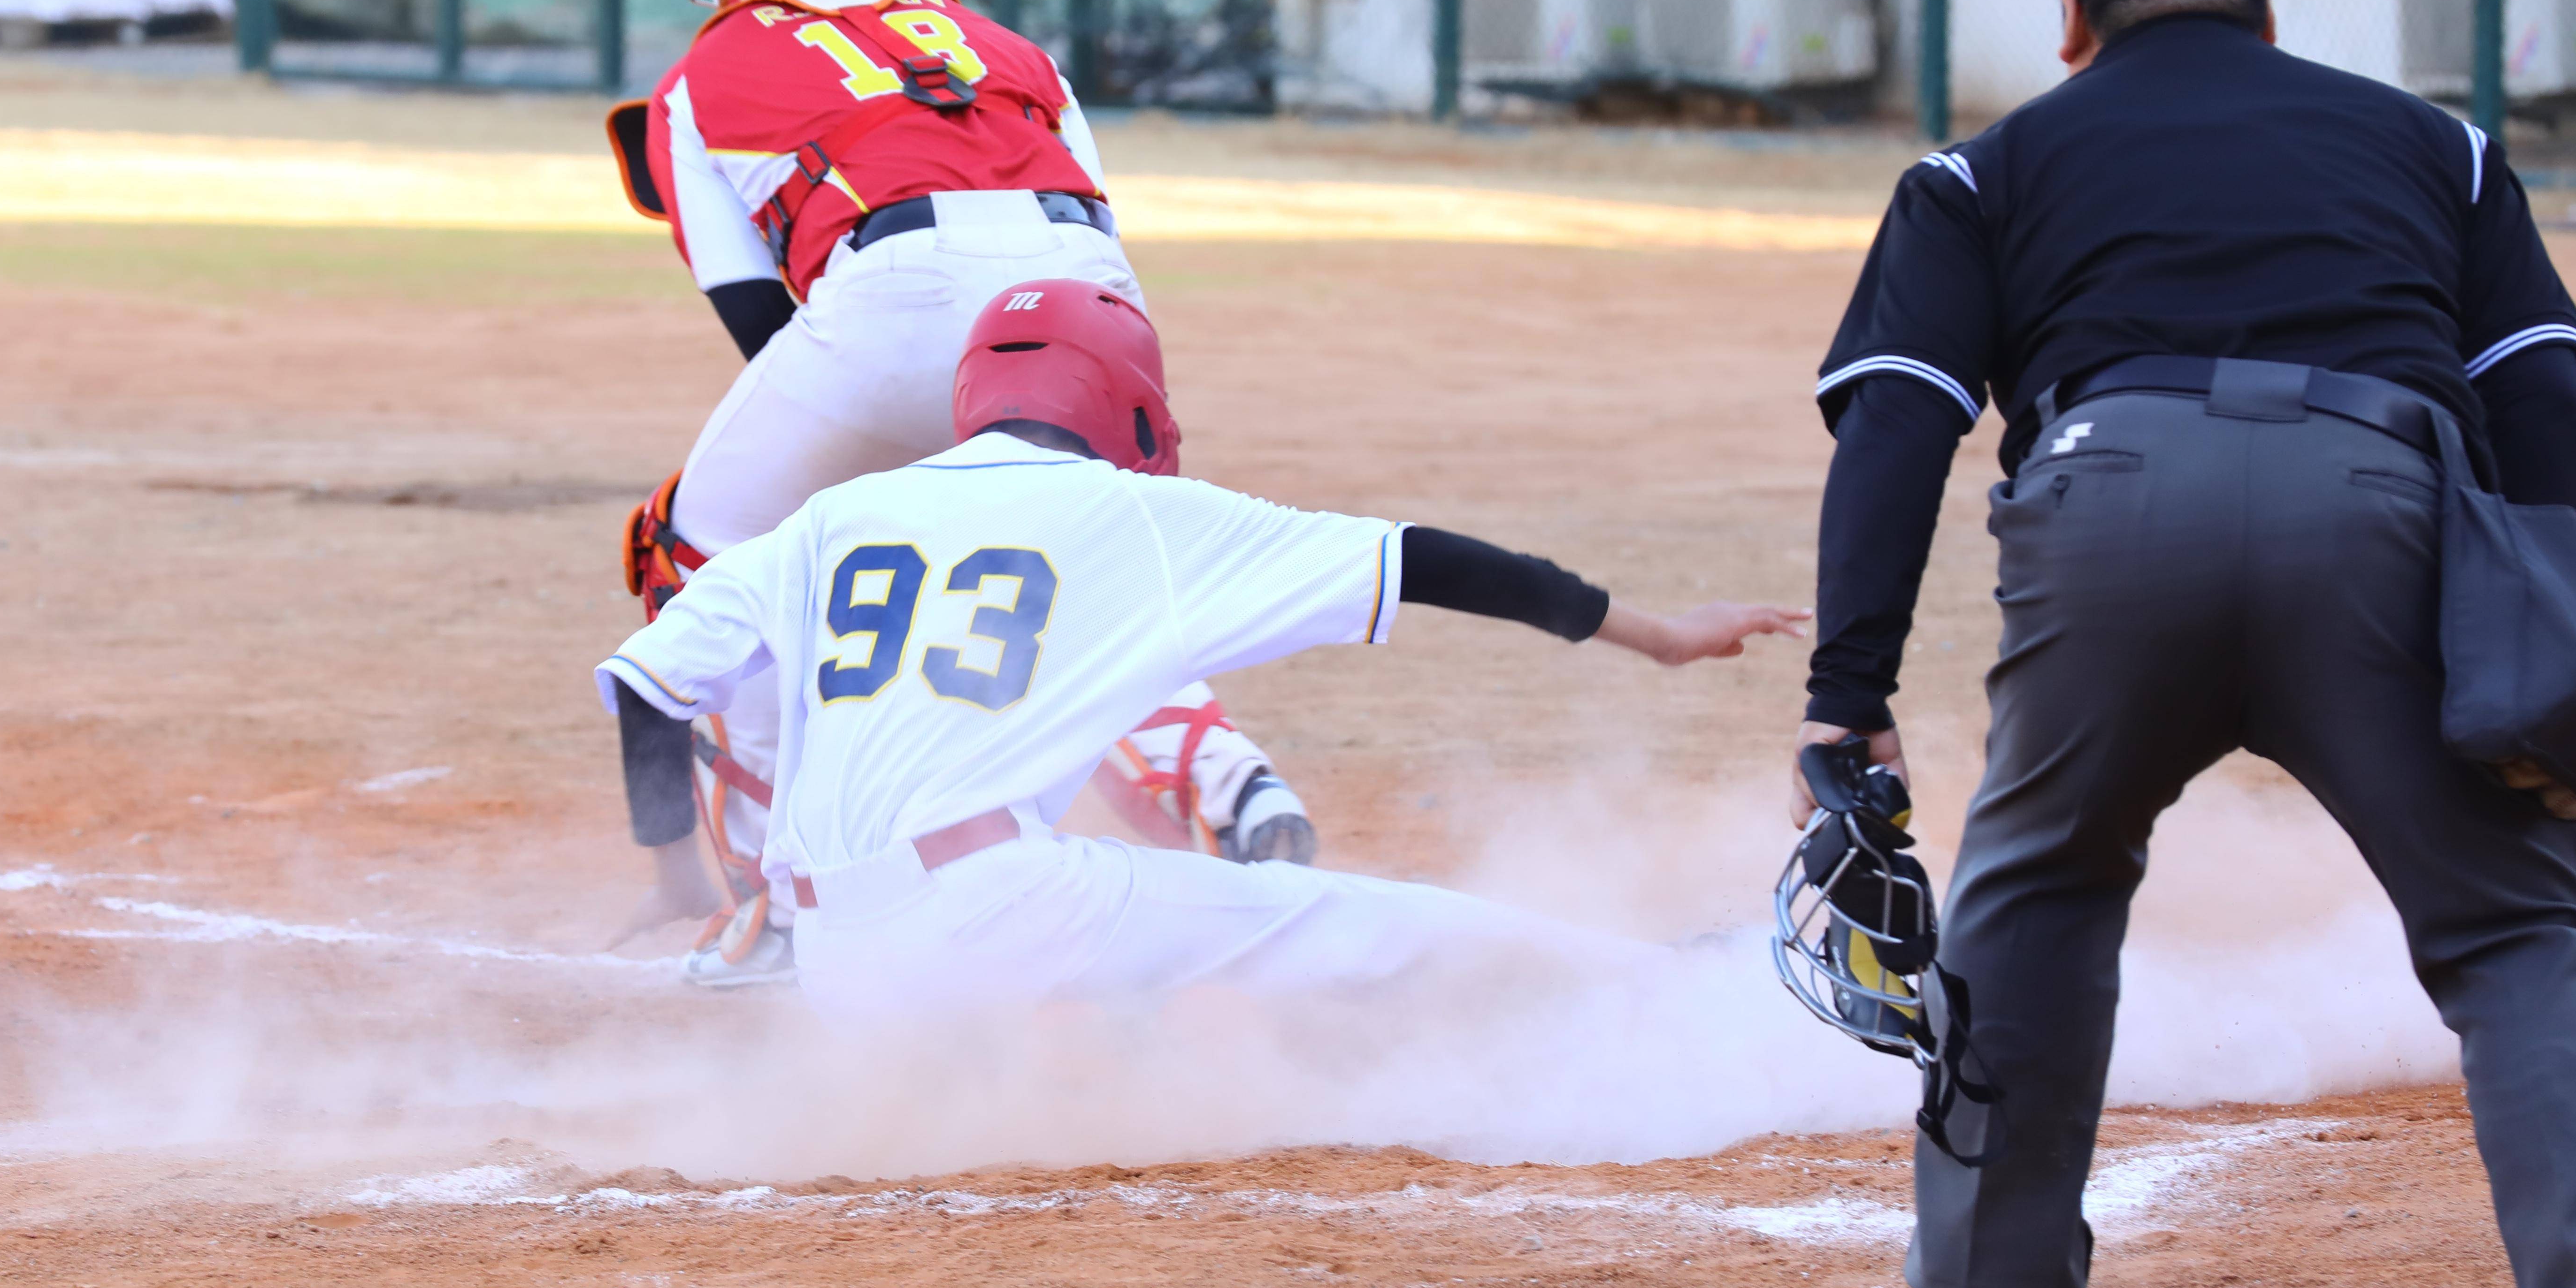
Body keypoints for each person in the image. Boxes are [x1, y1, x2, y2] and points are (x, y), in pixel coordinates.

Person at [1798, 0, 2576, 1288]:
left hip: (2106, 512)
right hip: (2380, 513)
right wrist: (2524, 603)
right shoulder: (2438, 147)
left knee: (2037, 887)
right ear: (2271, 9)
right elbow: (2524, 393)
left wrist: (1846, 698)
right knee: (2518, 930)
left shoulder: (1982, 173)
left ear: (2072, 18)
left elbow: (1897, 429)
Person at [596, 278, 1806, 1021]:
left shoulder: (835, 516)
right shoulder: (1147, 518)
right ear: (1124, 399)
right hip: (994, 915)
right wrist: (1654, 636)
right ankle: (1683, 990)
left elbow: (647, 684)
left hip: (836, 969)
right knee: (1374, 926)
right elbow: (1428, 560)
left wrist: (677, 877)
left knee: (1160, 966)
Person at [615, 0, 1317, 987]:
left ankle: (774, 915)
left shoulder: (705, 72)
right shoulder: (1001, 44)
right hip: (1085, 299)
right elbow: (1092, 220)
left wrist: (889, 464)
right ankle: (1229, 789)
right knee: (1073, 562)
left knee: (711, 560)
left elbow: (756, 318)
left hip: (885, 295)